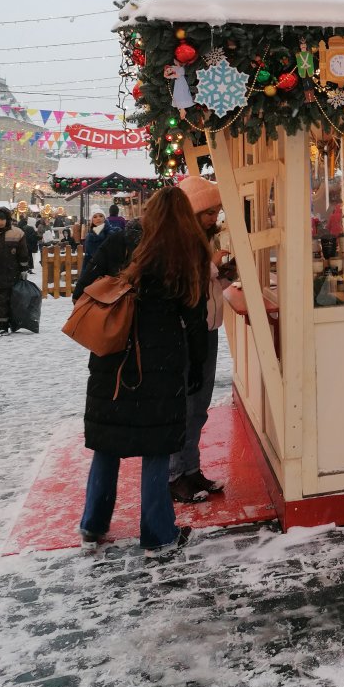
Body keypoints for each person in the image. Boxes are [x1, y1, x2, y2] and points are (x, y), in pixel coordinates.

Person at [79, 186, 210, 557]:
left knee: (108, 442)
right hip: (163, 360)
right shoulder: (189, 249)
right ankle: (158, 534)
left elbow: (81, 290)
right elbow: (195, 316)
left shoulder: (119, 242)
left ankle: (93, 523)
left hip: (113, 357)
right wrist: (196, 363)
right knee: (156, 445)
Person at [168, 176, 233, 504]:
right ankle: (176, 474)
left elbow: (207, 287)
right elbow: (184, 280)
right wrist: (213, 266)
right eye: (209, 211)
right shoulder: (179, 241)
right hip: (185, 333)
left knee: (199, 407)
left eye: (217, 211)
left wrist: (223, 276)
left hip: (206, 330)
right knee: (185, 406)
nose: (214, 217)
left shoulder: (202, 240)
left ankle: (191, 469)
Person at [0, 207, 32, 333]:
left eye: (2, 219)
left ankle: (2, 326)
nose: (0, 222)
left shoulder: (17, 233)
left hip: (10, 272)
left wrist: (24, 268)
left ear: (7, 219)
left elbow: (23, 253)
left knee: (5, 299)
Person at [80, 206, 112, 272]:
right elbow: (91, 256)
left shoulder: (112, 232)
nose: (98, 218)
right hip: (95, 270)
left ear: (104, 218)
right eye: (95, 217)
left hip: (111, 268)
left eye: (100, 216)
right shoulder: (91, 237)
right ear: (92, 221)